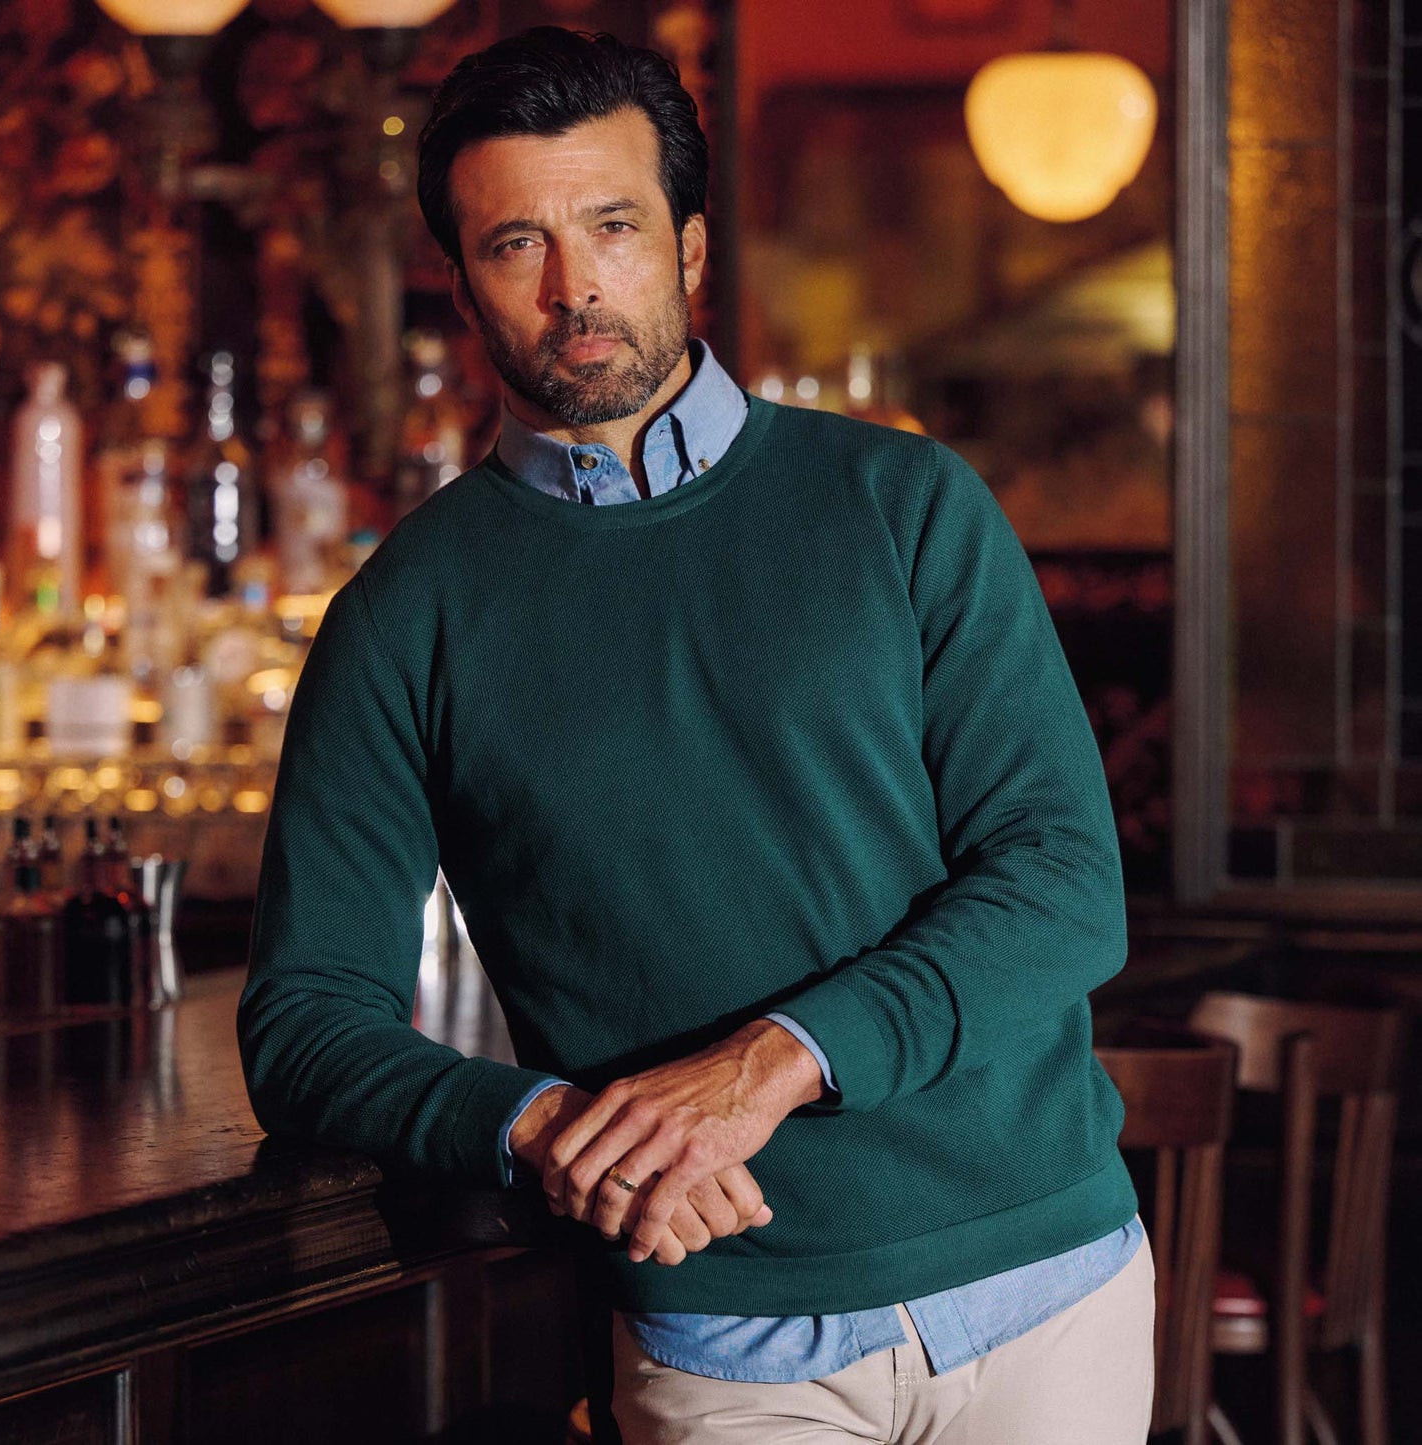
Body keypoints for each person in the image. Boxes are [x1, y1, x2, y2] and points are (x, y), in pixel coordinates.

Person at [239, 26, 1154, 1445]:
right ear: (459, 280)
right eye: (512, 243)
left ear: (688, 245)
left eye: (610, 225)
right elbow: (304, 1024)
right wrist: (546, 1126)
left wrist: (765, 1065)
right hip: (728, 1326)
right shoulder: (401, 614)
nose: (571, 285)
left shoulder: (902, 503)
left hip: (1049, 1284)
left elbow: (1061, 887)